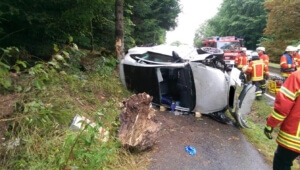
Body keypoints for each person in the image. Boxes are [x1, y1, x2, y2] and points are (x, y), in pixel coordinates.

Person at [264, 70, 300, 170]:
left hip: (294, 135)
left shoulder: (297, 77)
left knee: (282, 161)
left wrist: (270, 124)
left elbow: (283, 107)